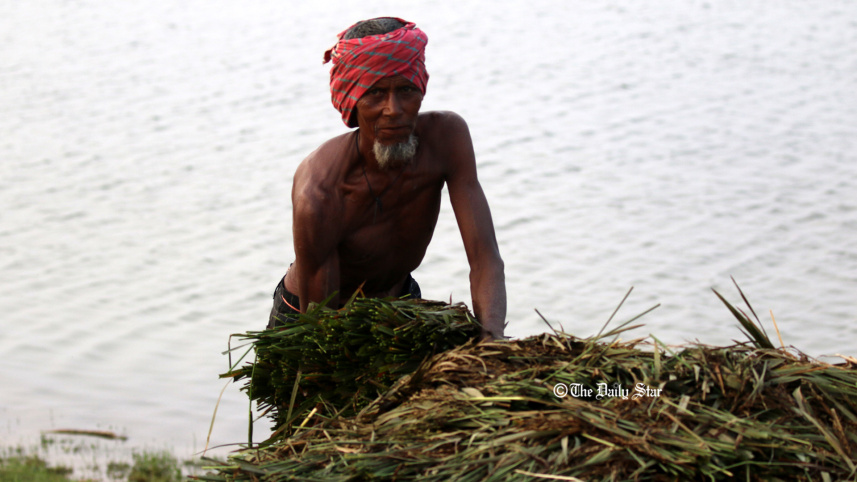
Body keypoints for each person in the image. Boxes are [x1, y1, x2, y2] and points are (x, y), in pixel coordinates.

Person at [268, 17, 506, 340]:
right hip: (316, 316)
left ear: (421, 89)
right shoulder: (321, 191)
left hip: (400, 301)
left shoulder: (448, 141)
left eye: (406, 90)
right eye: (376, 93)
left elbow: (485, 258)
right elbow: (321, 334)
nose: (393, 109)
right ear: (352, 101)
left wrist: (490, 342)